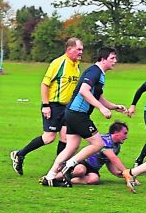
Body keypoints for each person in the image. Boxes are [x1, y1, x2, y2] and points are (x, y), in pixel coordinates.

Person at [41, 47, 130, 185]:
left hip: (71, 113)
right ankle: (68, 166)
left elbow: (97, 96)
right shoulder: (94, 71)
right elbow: (84, 91)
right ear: (103, 59)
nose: (115, 61)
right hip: (78, 114)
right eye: (112, 58)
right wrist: (101, 108)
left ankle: (50, 177)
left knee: (71, 147)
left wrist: (113, 107)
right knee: (98, 143)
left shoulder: (99, 74)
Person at [10, 38, 83, 176]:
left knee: (65, 137)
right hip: (53, 106)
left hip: (67, 108)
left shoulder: (76, 65)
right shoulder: (58, 63)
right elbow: (45, 84)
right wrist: (46, 105)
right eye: (78, 49)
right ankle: (20, 154)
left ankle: (58, 169)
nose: (81, 52)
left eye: (82, 49)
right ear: (69, 50)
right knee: (49, 137)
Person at [61, 122, 130, 186]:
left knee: (94, 180)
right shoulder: (104, 140)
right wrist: (127, 173)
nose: (126, 137)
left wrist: (116, 172)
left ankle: (69, 179)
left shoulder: (117, 146)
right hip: (83, 162)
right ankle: (57, 177)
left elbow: (109, 161)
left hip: (93, 169)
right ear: (116, 132)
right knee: (80, 171)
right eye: (125, 133)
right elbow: (113, 158)